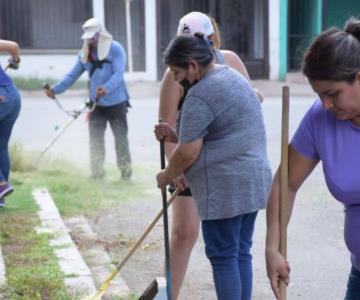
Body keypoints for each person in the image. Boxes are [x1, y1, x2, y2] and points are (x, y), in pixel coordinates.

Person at [155, 33, 272, 300]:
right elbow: (221, 129)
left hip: (226, 186)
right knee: (240, 251)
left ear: (193, 66)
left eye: (176, 72)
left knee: (223, 256)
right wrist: (174, 134)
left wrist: (166, 175)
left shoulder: (200, 94)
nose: (174, 80)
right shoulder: (232, 77)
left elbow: (187, 153)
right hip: (252, 180)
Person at [265, 18, 360, 300]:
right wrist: (273, 247)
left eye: (333, 94)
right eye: (320, 96)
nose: (326, 105)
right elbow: (286, 184)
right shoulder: (320, 118)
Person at [44, 18, 132, 180]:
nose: (90, 40)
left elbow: (118, 75)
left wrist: (105, 88)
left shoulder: (116, 49)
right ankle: (97, 173)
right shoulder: (84, 54)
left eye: (93, 37)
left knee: (120, 139)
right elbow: (72, 75)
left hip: (116, 103)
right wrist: (55, 90)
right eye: (88, 37)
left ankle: (126, 173)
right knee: (96, 140)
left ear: (100, 34)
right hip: (95, 105)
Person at [0, 39, 21, 208]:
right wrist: (15, 62)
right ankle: (0, 198)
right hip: (13, 96)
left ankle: (1, 184)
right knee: (1, 147)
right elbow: (13, 47)